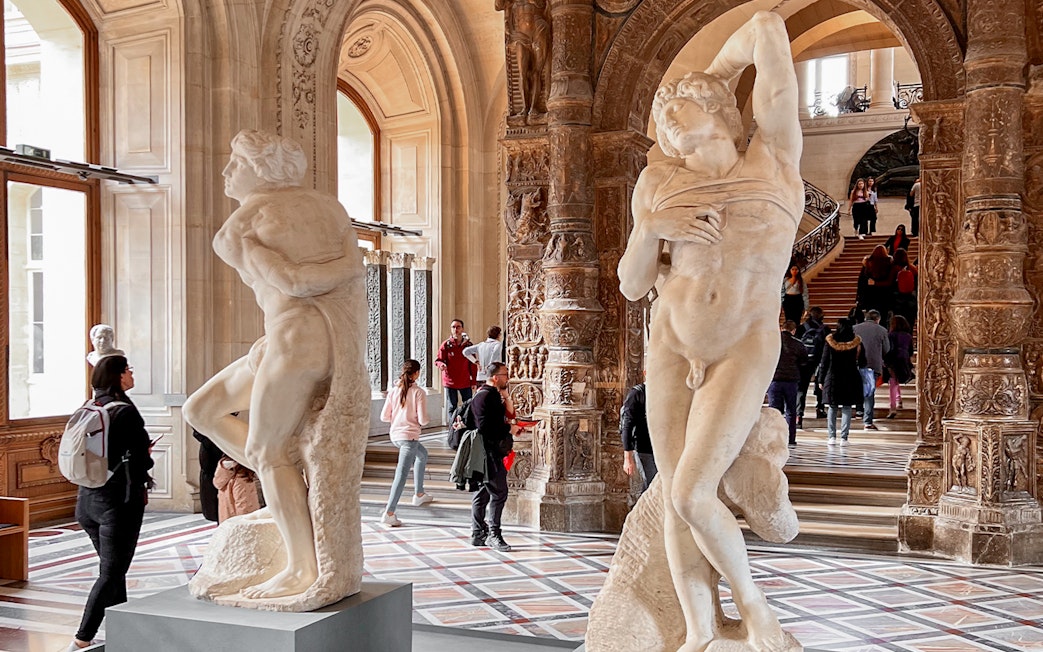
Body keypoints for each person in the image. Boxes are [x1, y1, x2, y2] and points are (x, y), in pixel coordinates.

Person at [616, 11, 803, 650]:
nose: (679, 148)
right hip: (670, 343)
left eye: (689, 137)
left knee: (696, 490)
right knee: (675, 493)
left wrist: (704, 80)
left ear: (722, 117)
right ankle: (700, 630)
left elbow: (767, 26)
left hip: (743, 341)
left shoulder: (775, 160)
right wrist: (651, 232)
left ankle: (755, 610)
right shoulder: (662, 183)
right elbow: (631, 283)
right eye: (671, 139)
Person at [183, 129, 367, 603]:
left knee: (268, 452)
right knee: (201, 410)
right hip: (307, 338)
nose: (226, 173)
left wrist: (310, 275)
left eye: (235, 164)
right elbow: (343, 272)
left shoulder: (240, 227)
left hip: (295, 338)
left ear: (259, 169)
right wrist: (346, 265)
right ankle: (289, 487)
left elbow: (294, 282)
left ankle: (303, 567)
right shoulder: (330, 208)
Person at [66, 355, 154, 651]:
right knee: (111, 573)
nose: (131, 373)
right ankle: (81, 639)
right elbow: (143, 460)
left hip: (86, 501)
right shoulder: (125, 411)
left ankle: (125, 630)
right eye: (128, 369)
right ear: (118, 376)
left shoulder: (89, 408)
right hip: (118, 503)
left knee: (114, 570)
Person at [470, 362, 519, 552]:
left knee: (482, 492)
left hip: (488, 451)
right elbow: (485, 427)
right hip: (488, 452)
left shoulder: (492, 394)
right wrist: (509, 428)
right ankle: (493, 534)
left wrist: (506, 396)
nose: (508, 378)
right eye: (505, 375)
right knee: (499, 493)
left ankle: (477, 533)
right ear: (496, 377)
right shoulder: (486, 397)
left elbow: (509, 413)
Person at [379, 359, 434, 527]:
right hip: (409, 437)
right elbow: (423, 420)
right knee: (401, 475)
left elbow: (384, 417)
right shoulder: (418, 392)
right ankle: (389, 512)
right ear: (416, 373)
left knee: (422, 455)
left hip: (396, 436)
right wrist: (422, 419)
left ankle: (419, 493)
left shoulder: (394, 391)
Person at [817, 319, 863, 446]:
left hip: (833, 377)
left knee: (832, 407)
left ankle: (831, 437)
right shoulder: (856, 341)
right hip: (850, 376)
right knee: (847, 407)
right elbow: (863, 360)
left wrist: (820, 379)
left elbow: (824, 362)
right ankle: (844, 438)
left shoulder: (830, 341)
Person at [767, 321, 808, 446]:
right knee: (791, 410)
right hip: (791, 380)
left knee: (774, 410)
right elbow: (804, 361)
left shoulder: (772, 342)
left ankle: (773, 437)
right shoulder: (797, 344)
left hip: (774, 379)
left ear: (781, 328)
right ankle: (790, 438)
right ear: (794, 330)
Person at [853, 309, 891, 431]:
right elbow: (886, 349)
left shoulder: (855, 328)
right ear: (878, 319)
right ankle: (867, 421)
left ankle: (858, 411)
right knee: (869, 393)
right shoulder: (882, 330)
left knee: (857, 387)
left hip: (855, 363)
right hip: (872, 364)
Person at [435, 319, 477, 423]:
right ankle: (452, 427)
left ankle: (467, 424)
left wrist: (474, 381)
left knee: (468, 404)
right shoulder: (446, 345)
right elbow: (438, 360)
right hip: (450, 381)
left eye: (458, 327)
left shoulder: (468, 346)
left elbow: (473, 364)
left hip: (465, 381)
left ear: (462, 329)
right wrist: (441, 365)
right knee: (452, 406)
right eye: (453, 327)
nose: (456, 329)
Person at [795, 306, 830, 424]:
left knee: (801, 388)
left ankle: (799, 414)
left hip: (803, 361)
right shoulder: (825, 329)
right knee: (820, 385)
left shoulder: (801, 328)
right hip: (820, 361)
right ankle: (820, 408)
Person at [620, 380, 656, 490]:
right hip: (644, 448)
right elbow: (627, 425)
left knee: (657, 487)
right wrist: (628, 458)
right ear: (645, 372)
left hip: (661, 449)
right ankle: (642, 507)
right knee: (651, 486)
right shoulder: (637, 393)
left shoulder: (663, 392)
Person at [214, 455, 262, 522]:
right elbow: (244, 506)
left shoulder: (224, 471)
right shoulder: (242, 478)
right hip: (241, 522)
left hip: (227, 520)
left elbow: (217, 483)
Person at [884, 315, 915, 418]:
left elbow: (888, 349)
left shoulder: (891, 335)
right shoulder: (908, 336)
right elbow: (911, 351)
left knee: (893, 382)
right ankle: (899, 399)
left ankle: (893, 407)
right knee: (897, 380)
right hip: (904, 359)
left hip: (893, 359)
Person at [857, 245, 895, 318]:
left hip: (870, 295)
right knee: (883, 317)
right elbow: (890, 282)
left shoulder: (868, 264)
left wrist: (859, 297)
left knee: (871, 316)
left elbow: (861, 282)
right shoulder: (888, 264)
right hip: (884, 296)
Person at [892, 248, 918, 328]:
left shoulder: (893, 269)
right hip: (910, 299)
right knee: (909, 323)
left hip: (897, 299)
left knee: (897, 323)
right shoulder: (912, 269)